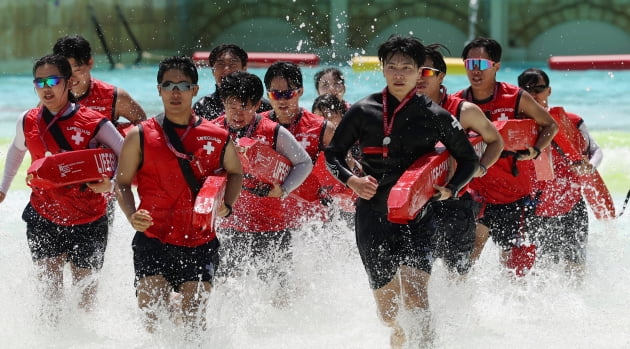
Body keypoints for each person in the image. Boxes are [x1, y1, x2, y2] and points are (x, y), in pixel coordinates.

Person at [325, 35, 479, 348]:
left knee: (417, 297)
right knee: (389, 312)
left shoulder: (435, 115)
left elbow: (468, 159)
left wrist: (451, 188)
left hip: (417, 217)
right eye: (392, 67)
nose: (399, 74)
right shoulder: (363, 110)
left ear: (419, 72)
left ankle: (425, 343)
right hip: (372, 216)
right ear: (382, 69)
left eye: (406, 68)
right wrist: (351, 181)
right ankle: (399, 335)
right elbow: (332, 154)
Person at [115, 56, 243, 332]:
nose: (175, 92)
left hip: (199, 240)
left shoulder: (217, 135)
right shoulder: (139, 135)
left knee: (193, 321)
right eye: (168, 85)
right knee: (152, 320)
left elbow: (235, 172)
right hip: (152, 238)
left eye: (183, 85)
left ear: (195, 90)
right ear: (158, 90)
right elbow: (122, 182)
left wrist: (227, 205)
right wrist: (131, 214)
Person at [0, 54, 123, 317]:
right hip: (43, 215)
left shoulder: (94, 121)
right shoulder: (27, 120)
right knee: (50, 296)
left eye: (53, 80)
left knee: (83, 299)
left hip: (88, 219)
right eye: (39, 81)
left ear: (68, 83)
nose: (46, 87)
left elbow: (127, 155)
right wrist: (3, 188)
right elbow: (16, 150)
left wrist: (111, 185)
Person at [453, 37, 558, 269]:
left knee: (514, 270)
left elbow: (550, 125)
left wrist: (537, 150)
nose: (475, 71)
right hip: (476, 193)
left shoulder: (516, 97)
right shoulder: (458, 101)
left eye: (481, 65)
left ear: (496, 66)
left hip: (514, 196)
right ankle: (461, 303)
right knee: (465, 262)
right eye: (470, 65)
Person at [212, 71, 313, 304]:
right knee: (224, 292)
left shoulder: (273, 131)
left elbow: (304, 162)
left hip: (272, 227)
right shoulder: (213, 131)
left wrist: (284, 189)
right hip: (229, 226)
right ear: (223, 103)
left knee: (279, 298)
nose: (237, 113)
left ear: (258, 104)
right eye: (231, 106)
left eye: (245, 107)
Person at [416, 43, 504, 274]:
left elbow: (496, 141)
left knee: (457, 276)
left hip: (456, 203)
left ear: (441, 76)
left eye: (426, 72)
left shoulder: (464, 110)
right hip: (417, 204)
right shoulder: (402, 110)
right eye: (414, 70)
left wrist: (481, 168)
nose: (419, 77)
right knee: (416, 275)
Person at [518, 68, 602, 277]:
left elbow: (596, 151)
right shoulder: (515, 127)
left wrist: (590, 166)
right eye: (527, 89)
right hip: (534, 209)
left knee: (576, 269)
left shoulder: (570, 120)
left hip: (571, 204)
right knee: (541, 272)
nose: (534, 93)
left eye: (539, 88)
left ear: (549, 91)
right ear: (520, 93)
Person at [262, 61, 336, 218]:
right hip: (269, 213)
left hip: (308, 214)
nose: (282, 100)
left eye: (288, 94)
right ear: (268, 94)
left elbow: (342, 167)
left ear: (300, 91)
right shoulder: (257, 125)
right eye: (275, 94)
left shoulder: (322, 128)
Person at [53, 34, 146, 126]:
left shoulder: (114, 97)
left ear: (90, 63)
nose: (70, 78)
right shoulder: (54, 98)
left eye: (77, 70)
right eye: (65, 72)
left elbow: (143, 127)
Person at [193, 44, 273, 120]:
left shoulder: (263, 106)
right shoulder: (202, 106)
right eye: (220, 64)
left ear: (244, 69)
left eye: (232, 64)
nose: (227, 69)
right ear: (213, 71)